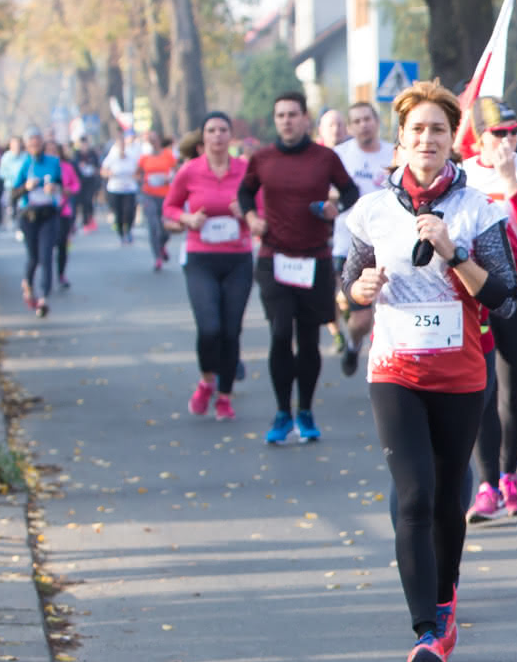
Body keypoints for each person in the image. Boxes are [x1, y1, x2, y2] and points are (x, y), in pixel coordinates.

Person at [340, 80, 517, 662]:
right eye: (416, 130)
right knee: (414, 496)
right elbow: (348, 287)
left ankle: (445, 605)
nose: (426, 139)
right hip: (394, 371)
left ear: (452, 140)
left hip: (462, 374)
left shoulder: (478, 211)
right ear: (400, 140)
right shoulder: (371, 211)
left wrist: (452, 253)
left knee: (450, 499)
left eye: (437, 130)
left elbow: (506, 297)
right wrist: (356, 293)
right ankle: (425, 633)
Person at [238, 91, 360, 445]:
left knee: (308, 339)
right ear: (275, 121)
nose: (287, 121)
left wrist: (334, 206)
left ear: (305, 119)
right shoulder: (262, 158)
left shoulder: (325, 157)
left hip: (315, 260)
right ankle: (281, 413)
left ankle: (304, 411)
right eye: (281, 116)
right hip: (274, 257)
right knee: (279, 333)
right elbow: (245, 194)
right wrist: (251, 218)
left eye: (293, 114)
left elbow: (350, 192)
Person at [460, 98, 517, 520]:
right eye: (500, 133)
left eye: (514, 131)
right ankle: (485, 484)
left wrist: (509, 178)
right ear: (480, 136)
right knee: (481, 390)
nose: (509, 139)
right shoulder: (461, 176)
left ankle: (509, 476)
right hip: (474, 293)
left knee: (513, 394)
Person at [165, 112, 252, 423]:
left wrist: (246, 212)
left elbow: (263, 205)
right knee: (209, 328)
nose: (217, 136)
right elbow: (170, 206)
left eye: (222, 130)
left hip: (238, 258)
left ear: (230, 136)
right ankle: (206, 380)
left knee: (231, 330)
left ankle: (224, 396)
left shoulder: (245, 170)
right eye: (211, 130)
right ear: (203, 138)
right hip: (201, 258)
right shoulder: (190, 171)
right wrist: (188, 219)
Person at [332, 101, 396, 376]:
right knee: (360, 319)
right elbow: (323, 194)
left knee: (387, 311)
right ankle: (353, 341)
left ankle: (388, 369)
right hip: (349, 244)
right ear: (350, 127)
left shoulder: (393, 153)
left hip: (389, 245)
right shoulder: (338, 156)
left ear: (376, 121)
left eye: (366, 119)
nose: (362, 125)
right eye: (356, 121)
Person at [9, 129, 66, 316]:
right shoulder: (24, 164)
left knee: (46, 255)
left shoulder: (54, 162)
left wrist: (54, 187)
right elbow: (13, 194)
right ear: (27, 146)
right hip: (29, 216)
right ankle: (28, 282)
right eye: (31, 144)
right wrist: (26, 187)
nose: (35, 147)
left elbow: (62, 186)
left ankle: (43, 297)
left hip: (48, 214)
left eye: (38, 143)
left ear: (42, 143)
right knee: (33, 257)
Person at [138, 130, 178, 270]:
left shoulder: (168, 155)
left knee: (165, 228)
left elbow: (177, 171)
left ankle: (162, 245)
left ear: (159, 140)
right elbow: (137, 174)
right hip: (149, 194)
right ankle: (157, 258)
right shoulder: (144, 158)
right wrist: (144, 180)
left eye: (155, 139)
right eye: (150, 140)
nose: (153, 142)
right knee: (153, 225)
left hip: (166, 194)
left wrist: (170, 178)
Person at [44, 140, 81, 290]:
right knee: (46, 246)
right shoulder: (41, 168)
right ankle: (46, 277)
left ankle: (61, 274)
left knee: (62, 244)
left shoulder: (66, 167)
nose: (53, 154)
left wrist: (69, 190)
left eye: (55, 151)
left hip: (64, 210)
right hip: (45, 212)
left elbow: (76, 184)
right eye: (49, 151)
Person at [101, 131, 141, 245]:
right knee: (118, 213)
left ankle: (128, 230)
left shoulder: (132, 156)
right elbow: (103, 171)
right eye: (120, 145)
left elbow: (138, 171)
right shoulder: (112, 155)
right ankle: (121, 234)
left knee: (129, 211)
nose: (122, 147)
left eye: (124, 145)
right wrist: (109, 174)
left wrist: (136, 176)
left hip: (129, 188)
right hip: (115, 188)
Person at [74, 137, 100, 231]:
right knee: (82, 202)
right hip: (81, 181)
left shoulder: (92, 154)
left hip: (91, 181)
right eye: (82, 145)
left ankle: (90, 218)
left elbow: (98, 167)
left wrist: (94, 169)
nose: (84, 147)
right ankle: (85, 221)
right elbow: (74, 166)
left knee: (89, 200)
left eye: (86, 144)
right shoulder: (77, 154)